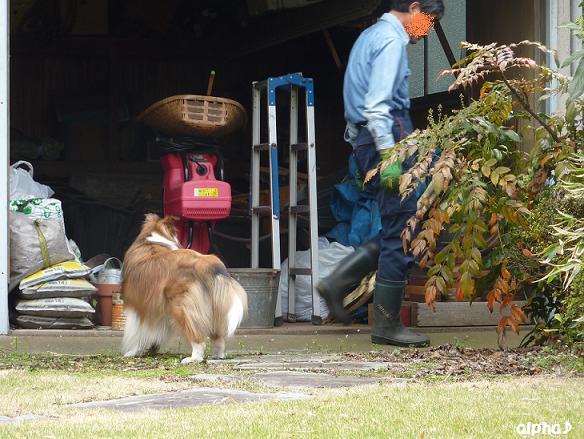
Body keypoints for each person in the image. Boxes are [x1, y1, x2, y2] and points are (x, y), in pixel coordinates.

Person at [317, 0, 445, 347]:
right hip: (387, 136)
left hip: (366, 139)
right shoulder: (390, 40)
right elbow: (376, 106)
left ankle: (338, 282)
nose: (428, 30)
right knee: (404, 225)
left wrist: (365, 149)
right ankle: (386, 324)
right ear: (415, 8)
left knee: (396, 222)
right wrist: (389, 157)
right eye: (429, 22)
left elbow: (356, 107)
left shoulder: (369, 36)